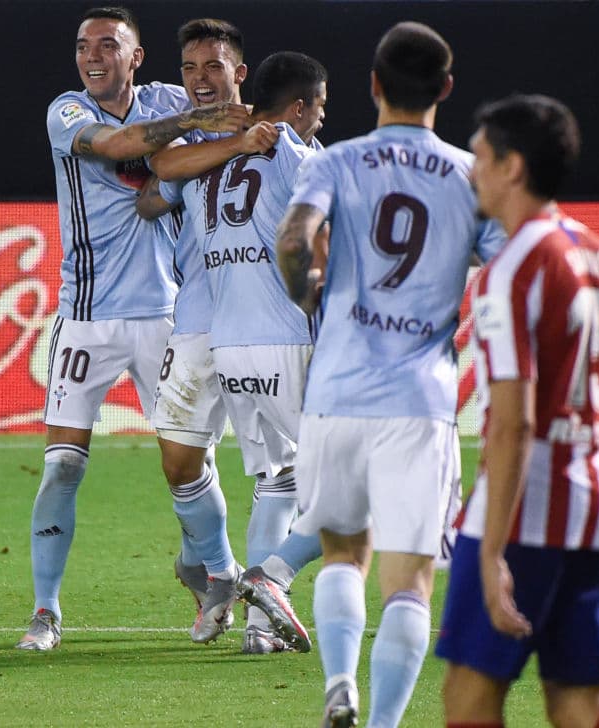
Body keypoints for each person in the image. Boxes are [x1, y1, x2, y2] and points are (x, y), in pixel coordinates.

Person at [275, 22, 505, 727]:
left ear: (373, 86)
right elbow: (506, 261)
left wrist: (307, 289)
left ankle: (339, 681)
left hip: (336, 392)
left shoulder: (334, 161)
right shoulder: (471, 174)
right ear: (446, 89)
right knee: (409, 584)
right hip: (420, 400)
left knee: (344, 552)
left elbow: (292, 239)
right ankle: (381, 723)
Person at [18, 6, 248, 651]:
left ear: (136, 56)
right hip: (85, 317)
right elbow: (120, 146)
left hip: (168, 315)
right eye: (83, 45)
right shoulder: (66, 111)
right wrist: (197, 121)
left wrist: (235, 111)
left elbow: (223, 101)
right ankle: (45, 611)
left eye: (108, 45)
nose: (92, 56)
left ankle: (216, 574)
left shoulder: (169, 97)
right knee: (62, 466)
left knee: (189, 462)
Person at [436, 94, 599, 728]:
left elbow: (515, 422)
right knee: (582, 706)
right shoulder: (598, 252)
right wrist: (584, 470)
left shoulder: (513, 267)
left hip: (525, 511)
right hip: (593, 506)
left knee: (469, 701)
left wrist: (492, 549)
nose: (471, 170)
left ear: (513, 168)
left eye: (479, 157)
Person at [174, 50, 328, 654]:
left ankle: (262, 631)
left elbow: (155, 194)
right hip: (286, 339)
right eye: (320, 103)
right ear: (297, 108)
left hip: (229, 347)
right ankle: (273, 576)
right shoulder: (296, 153)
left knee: (280, 478)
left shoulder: (210, 161)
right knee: (349, 486)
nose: (322, 114)